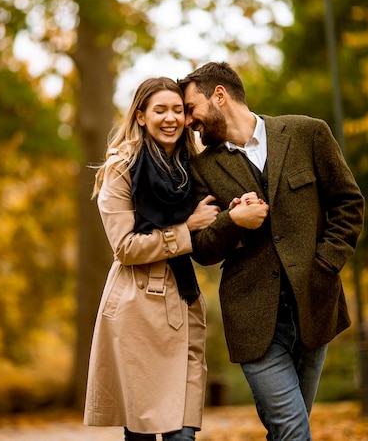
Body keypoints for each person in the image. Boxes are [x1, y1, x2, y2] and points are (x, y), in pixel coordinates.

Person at [178, 62, 365, 441]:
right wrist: (234, 221)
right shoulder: (200, 169)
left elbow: (348, 203)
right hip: (252, 318)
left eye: (190, 109)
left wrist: (326, 262)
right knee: (294, 430)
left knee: (288, 429)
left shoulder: (307, 132)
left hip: (316, 305)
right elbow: (202, 249)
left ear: (220, 95)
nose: (187, 121)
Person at [83, 76, 268, 441]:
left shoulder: (190, 168)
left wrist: (230, 211)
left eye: (178, 110)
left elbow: (207, 224)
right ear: (140, 116)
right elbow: (125, 247)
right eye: (160, 110)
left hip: (183, 301)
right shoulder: (121, 169)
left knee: (182, 433)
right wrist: (186, 228)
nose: (171, 118)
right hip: (137, 308)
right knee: (141, 431)